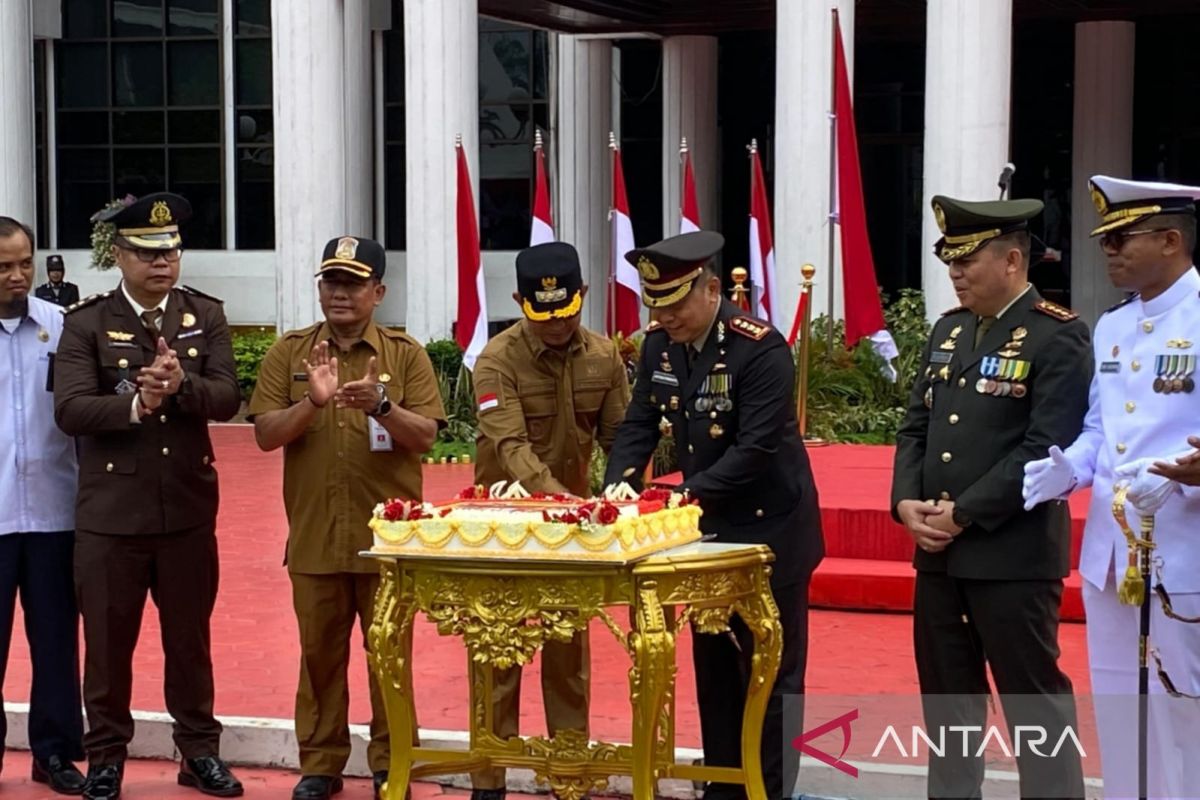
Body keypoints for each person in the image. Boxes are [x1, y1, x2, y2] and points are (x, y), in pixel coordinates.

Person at [601, 231, 824, 800]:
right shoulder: (659, 345)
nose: (667, 316)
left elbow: (757, 449)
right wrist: (620, 490)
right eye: (658, 305)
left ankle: (766, 791)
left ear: (712, 290)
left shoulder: (759, 347)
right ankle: (723, 787)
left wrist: (682, 496)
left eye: (677, 303)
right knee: (716, 672)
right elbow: (638, 425)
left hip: (769, 528)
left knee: (768, 679)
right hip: (708, 533)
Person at [892, 196, 1090, 798]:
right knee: (949, 709)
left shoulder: (1059, 335)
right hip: (939, 554)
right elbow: (915, 428)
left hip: (1012, 556)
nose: (955, 273)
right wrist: (906, 502)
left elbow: (1045, 445)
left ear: (1011, 260)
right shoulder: (948, 330)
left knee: (1034, 707)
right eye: (949, 262)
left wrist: (966, 513)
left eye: (967, 260)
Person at [53, 193, 243, 800]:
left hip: (186, 509)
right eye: (147, 253)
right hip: (111, 517)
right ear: (119, 255)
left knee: (190, 642)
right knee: (108, 647)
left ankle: (199, 752)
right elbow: (71, 409)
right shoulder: (85, 322)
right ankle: (106, 756)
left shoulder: (204, 316)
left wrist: (183, 385)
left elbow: (228, 398)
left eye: (171, 251)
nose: (162, 264)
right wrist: (139, 402)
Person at [248, 235, 446, 800]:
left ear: (378, 291)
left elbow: (428, 436)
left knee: (390, 659)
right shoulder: (290, 353)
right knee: (318, 658)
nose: (340, 293)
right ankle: (320, 764)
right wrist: (311, 401)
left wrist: (382, 405)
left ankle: (393, 762)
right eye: (331, 281)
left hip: (387, 539)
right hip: (314, 536)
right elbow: (264, 435)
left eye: (354, 283)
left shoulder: (405, 354)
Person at [1023, 175, 1200, 797]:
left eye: (1123, 238)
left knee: (1187, 705)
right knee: (1122, 703)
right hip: (1116, 551)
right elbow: (1102, 427)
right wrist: (1070, 467)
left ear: (1171, 240)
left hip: (1185, 545)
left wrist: (1192, 478)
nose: (1109, 251)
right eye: (1106, 240)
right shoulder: (1114, 326)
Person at [468, 241, 630, 800]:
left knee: (567, 652)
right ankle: (489, 777)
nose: (557, 324)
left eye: (566, 310)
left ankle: (570, 771)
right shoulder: (495, 359)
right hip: (505, 525)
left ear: (582, 296)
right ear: (519, 301)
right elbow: (510, 445)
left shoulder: (605, 356)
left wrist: (629, 485)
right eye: (544, 314)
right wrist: (566, 503)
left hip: (572, 528)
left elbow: (619, 439)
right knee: (498, 652)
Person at [0, 218, 85, 794]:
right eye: (4, 266)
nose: (18, 275)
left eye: (24, 262)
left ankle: (53, 753)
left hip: (56, 512)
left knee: (56, 642)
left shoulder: (61, 328)